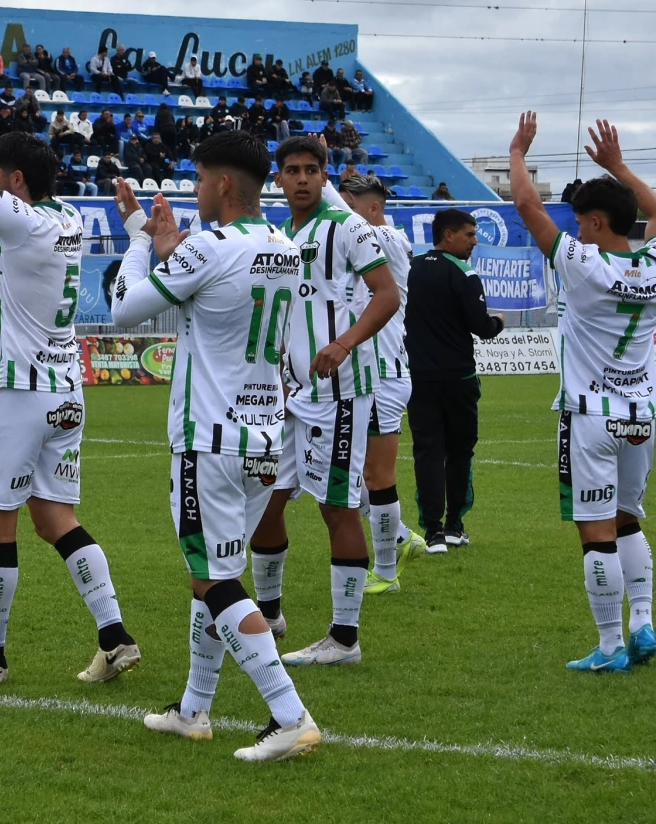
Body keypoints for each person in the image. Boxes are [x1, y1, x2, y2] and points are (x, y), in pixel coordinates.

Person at [0, 54, 139, 686]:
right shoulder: (66, 218)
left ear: (12, 183)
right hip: (66, 391)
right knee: (54, 518)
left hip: (15, 391)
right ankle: (115, 636)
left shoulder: (24, 223)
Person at [110, 131, 321, 762]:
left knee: (219, 581)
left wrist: (138, 241)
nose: (195, 190)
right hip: (263, 438)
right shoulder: (284, 246)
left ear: (223, 184)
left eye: (200, 180)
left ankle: (290, 716)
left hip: (210, 439)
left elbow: (124, 309)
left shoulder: (210, 245)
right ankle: (194, 710)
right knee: (212, 576)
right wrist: (174, 250)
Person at [509, 113, 656, 674]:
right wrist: (618, 166)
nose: (575, 229)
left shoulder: (586, 265)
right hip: (641, 417)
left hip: (591, 416)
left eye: (581, 221)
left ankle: (608, 647)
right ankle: (643, 621)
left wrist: (518, 153)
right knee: (628, 519)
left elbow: (529, 209)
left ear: (598, 222)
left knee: (595, 529)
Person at [249, 135, 399, 666]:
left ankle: (344, 638)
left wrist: (343, 343)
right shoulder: (281, 234)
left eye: (312, 169)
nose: (303, 178)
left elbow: (387, 294)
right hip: (289, 395)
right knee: (267, 498)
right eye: (292, 170)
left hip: (337, 393)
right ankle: (268, 614)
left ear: (325, 175)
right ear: (279, 179)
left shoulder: (346, 226)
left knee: (338, 507)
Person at [330, 173, 423, 591]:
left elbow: (336, 210)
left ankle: (387, 570)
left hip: (384, 376)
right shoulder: (362, 249)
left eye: (352, 209)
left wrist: (322, 174)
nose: (345, 219)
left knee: (376, 475)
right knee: (353, 471)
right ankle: (400, 536)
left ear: (372, 209)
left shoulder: (387, 239)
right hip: (366, 374)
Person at [404, 208, 503, 554]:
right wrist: (498, 323)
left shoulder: (411, 269)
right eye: (470, 235)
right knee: (460, 452)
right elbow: (482, 327)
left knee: (427, 451)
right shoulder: (465, 274)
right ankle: (455, 527)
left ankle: (432, 533)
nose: (474, 242)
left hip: (418, 377)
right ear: (448, 236)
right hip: (458, 376)